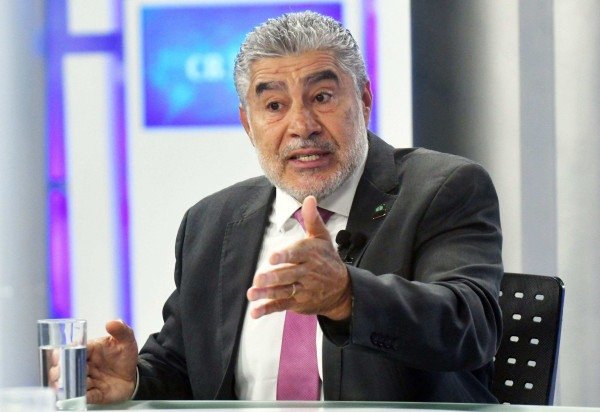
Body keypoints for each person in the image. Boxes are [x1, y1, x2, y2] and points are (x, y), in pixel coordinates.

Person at [86, 11, 503, 404]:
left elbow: (471, 327)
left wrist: (347, 296)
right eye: (274, 106)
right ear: (248, 124)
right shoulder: (212, 221)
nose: (302, 126)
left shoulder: (442, 189)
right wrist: (133, 381)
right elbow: (184, 366)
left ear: (364, 100)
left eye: (322, 97)